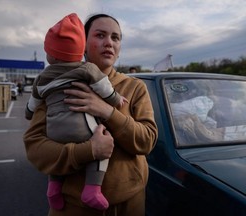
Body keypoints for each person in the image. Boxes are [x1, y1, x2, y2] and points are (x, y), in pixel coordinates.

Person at [23, 13, 158, 216]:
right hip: (73, 208)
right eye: (100, 35)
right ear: (82, 44)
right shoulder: (57, 86)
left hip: (129, 204)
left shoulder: (134, 87)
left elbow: (147, 141)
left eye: (115, 38)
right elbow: (35, 147)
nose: (109, 43)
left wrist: (108, 111)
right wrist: (89, 150)